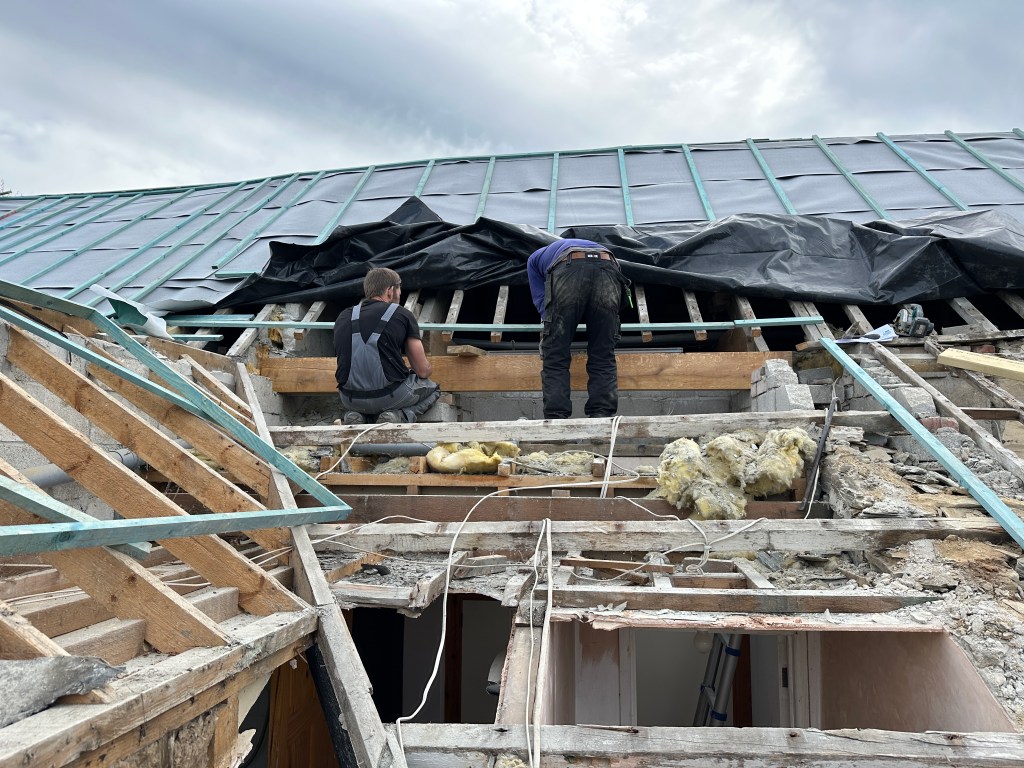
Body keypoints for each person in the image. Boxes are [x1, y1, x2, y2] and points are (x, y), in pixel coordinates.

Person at [527, 238, 629, 419]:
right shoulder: (591, 247)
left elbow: (541, 300)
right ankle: (602, 416)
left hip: (569, 267)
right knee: (603, 352)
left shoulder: (534, 260)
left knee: (555, 353)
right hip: (609, 265)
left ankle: (556, 418)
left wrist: (553, 327)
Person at [334, 267, 440, 423]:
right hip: (391, 396)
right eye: (399, 289)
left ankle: (356, 416)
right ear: (390, 290)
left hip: (350, 399)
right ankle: (400, 416)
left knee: (369, 400)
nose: (400, 294)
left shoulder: (343, 316)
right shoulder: (402, 314)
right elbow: (422, 370)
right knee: (434, 389)